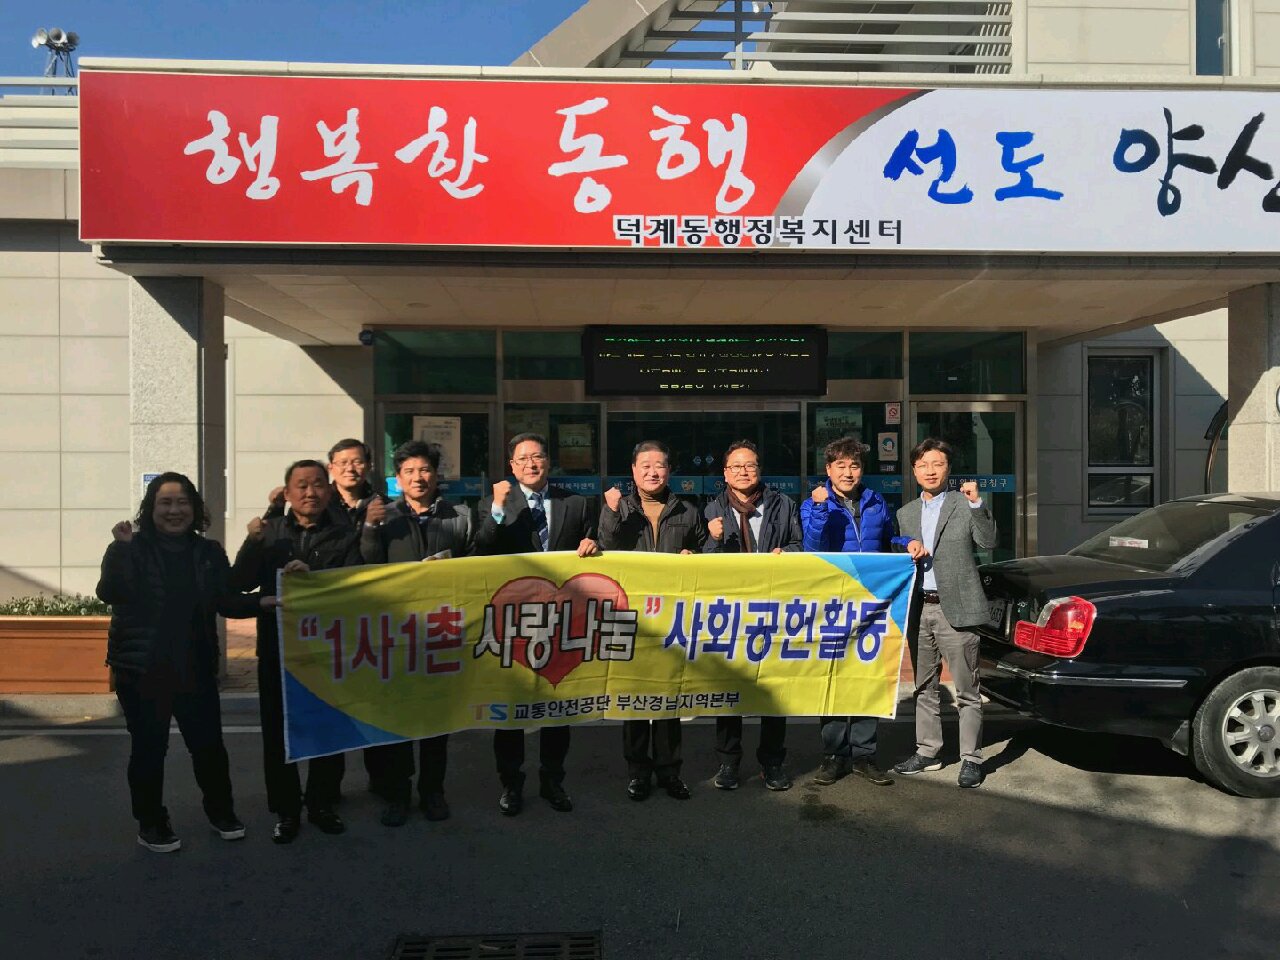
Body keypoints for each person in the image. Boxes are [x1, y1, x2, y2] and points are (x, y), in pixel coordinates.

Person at [97, 472, 269, 853]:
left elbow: (226, 599)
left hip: (195, 667)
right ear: (151, 508)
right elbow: (111, 591)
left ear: (194, 508)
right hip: (142, 670)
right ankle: (151, 823)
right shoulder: (129, 546)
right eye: (165, 502)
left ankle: (221, 812)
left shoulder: (208, 552)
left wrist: (261, 602)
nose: (174, 510)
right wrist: (121, 549)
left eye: (182, 502)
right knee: (149, 750)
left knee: (209, 748)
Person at [230, 460, 360, 843]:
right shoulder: (269, 533)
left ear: (329, 491)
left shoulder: (345, 534)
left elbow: (355, 586)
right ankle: (286, 810)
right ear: (286, 493)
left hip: (327, 649)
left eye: (318, 484)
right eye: (301, 485)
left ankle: (322, 803)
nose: (310, 492)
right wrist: (252, 543)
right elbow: (239, 583)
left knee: (327, 728)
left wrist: (315, 579)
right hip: (277, 649)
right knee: (277, 733)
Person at [475, 432, 601, 816]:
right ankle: (511, 784)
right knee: (511, 709)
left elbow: (594, 545)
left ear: (548, 461)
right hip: (514, 621)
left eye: (537, 456)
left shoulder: (575, 503)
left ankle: (553, 781)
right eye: (523, 458)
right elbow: (483, 547)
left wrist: (593, 545)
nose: (531, 464)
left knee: (556, 706)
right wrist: (498, 508)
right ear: (511, 466)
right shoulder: (494, 503)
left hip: (560, 622)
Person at [360, 440, 474, 826]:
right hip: (398, 632)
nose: (418, 477)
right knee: (399, 717)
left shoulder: (459, 515)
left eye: (424, 470)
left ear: (436, 475)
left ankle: (432, 791)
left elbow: (476, 566)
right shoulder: (384, 516)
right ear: (397, 479)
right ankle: (398, 793)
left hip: (442, 632)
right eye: (409, 471)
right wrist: (370, 528)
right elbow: (367, 567)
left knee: (436, 719)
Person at [598, 440, 707, 801]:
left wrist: (697, 554)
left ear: (669, 471)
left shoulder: (687, 510)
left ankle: (670, 771)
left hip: (672, 618)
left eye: (659, 465)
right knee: (633, 699)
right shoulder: (619, 507)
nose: (652, 472)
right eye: (645, 465)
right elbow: (605, 546)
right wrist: (611, 510)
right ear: (633, 470)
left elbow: (708, 555)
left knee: (668, 698)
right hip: (632, 617)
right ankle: (637, 772)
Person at [892, 438, 997, 789]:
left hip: (959, 607)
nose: (930, 471)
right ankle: (928, 751)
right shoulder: (906, 513)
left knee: (967, 689)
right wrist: (905, 545)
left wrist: (977, 503)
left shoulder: (963, 504)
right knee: (924, 687)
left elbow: (988, 541)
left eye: (937, 464)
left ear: (948, 468)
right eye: (923, 465)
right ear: (914, 470)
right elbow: (898, 550)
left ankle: (971, 758)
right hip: (920, 608)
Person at [703, 439, 802, 792]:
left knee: (773, 691)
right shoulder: (711, 509)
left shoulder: (783, 504)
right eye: (736, 466)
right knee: (729, 690)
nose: (743, 471)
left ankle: (772, 762)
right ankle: (728, 763)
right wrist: (713, 539)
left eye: (750, 465)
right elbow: (701, 564)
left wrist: (785, 553)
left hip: (774, 609)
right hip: (731, 613)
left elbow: (799, 544)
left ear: (759, 470)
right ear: (725, 473)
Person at [800, 436, 897, 788]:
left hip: (870, 602)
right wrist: (820, 509)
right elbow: (812, 547)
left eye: (854, 465)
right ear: (828, 469)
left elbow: (889, 541)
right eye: (840, 465)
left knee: (867, 677)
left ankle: (864, 755)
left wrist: (907, 543)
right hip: (833, 604)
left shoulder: (876, 501)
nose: (848, 472)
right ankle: (834, 755)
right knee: (834, 678)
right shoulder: (813, 503)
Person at [264, 438, 388, 528]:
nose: (350, 469)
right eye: (343, 463)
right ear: (330, 468)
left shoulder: (383, 505)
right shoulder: (315, 502)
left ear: (369, 466)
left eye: (357, 462)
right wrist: (276, 507)